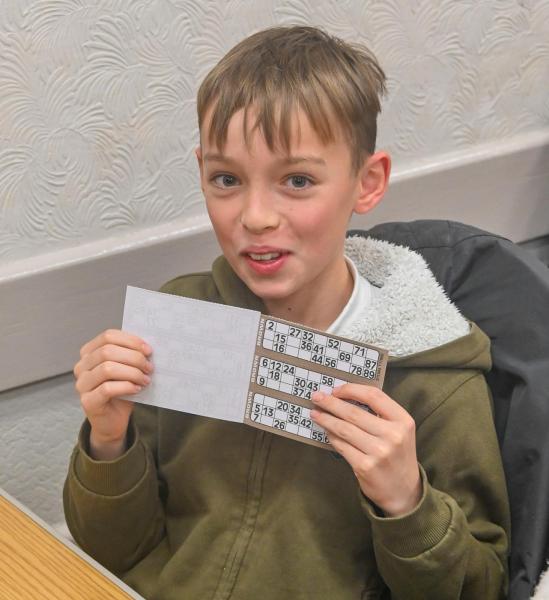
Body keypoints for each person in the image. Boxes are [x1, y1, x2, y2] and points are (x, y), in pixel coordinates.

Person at [64, 26, 510, 600]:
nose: (255, 217)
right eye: (226, 179)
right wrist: (108, 441)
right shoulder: (184, 324)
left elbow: (482, 587)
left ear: (367, 182)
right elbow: (113, 552)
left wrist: (407, 502)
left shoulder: (436, 380)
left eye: (297, 181)